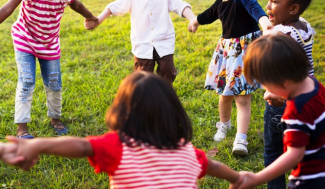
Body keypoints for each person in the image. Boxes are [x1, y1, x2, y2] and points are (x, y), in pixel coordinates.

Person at [7, 72, 243, 188]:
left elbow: (81, 146)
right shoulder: (188, 153)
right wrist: (238, 178)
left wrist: (38, 144)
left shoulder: (120, 148)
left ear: (123, 112)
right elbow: (214, 166)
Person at [0, 0, 98, 138]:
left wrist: (91, 17)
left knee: (54, 82)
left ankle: (55, 118)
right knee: (27, 80)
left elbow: (77, 6)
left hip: (49, 44)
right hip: (25, 39)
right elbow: (8, 8)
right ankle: (22, 128)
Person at [188, 0, 272, 156]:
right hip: (227, 54)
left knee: (242, 97)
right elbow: (209, 14)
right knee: (225, 94)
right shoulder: (222, 0)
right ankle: (224, 124)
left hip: (244, 53)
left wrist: (266, 26)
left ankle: (241, 139)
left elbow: (256, 10)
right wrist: (195, 21)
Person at [230, 34, 325, 189]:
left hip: (310, 180)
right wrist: (282, 94)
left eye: (265, 84)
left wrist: (256, 178)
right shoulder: (313, 84)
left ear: (283, 82)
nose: (265, 90)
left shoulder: (296, 112)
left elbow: (294, 155)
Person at [84, 0, 196, 84]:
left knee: (167, 72)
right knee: (142, 77)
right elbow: (114, 7)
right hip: (142, 43)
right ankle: (144, 101)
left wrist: (192, 18)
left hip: (164, 41)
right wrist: (98, 20)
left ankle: (165, 97)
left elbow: (180, 5)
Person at [263, 0, 317, 188]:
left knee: (273, 152)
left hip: (281, 101)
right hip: (307, 98)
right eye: (268, 0)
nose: (267, 7)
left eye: (274, 1)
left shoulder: (281, 34)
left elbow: (269, 64)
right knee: (300, 149)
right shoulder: (303, 26)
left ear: (293, 8)